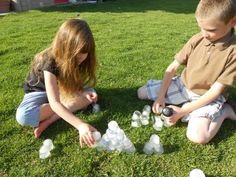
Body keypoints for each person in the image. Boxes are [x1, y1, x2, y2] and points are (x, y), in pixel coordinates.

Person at [137, 0, 236, 144]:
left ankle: (225, 111)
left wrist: (182, 112)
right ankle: (182, 101)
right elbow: (172, 69)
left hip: (207, 97)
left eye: (211, 30)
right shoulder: (197, 39)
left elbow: (215, 91)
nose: (205, 34)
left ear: (233, 22)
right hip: (183, 85)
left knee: (198, 137)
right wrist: (160, 97)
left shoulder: (233, 52)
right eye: (201, 27)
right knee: (141, 93)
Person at [16, 19, 98, 147]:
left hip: (59, 91)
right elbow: (54, 103)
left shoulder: (78, 59)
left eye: (85, 52)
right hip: (38, 92)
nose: (81, 58)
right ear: (64, 46)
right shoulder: (48, 61)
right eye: (77, 54)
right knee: (24, 116)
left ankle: (49, 120)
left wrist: (81, 92)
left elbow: (72, 84)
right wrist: (80, 125)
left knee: (91, 94)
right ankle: (67, 105)